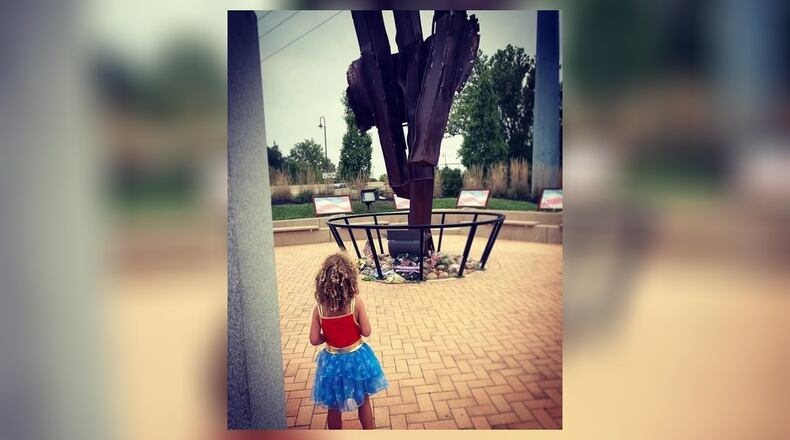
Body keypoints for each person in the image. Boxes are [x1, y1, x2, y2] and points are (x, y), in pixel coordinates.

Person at [310, 253, 388, 429]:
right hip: (356, 359)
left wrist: (327, 337)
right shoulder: (355, 304)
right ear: (350, 279)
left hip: (332, 361)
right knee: (363, 399)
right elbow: (367, 331)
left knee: (334, 405)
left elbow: (314, 339)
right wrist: (356, 328)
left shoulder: (320, 309)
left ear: (323, 282)